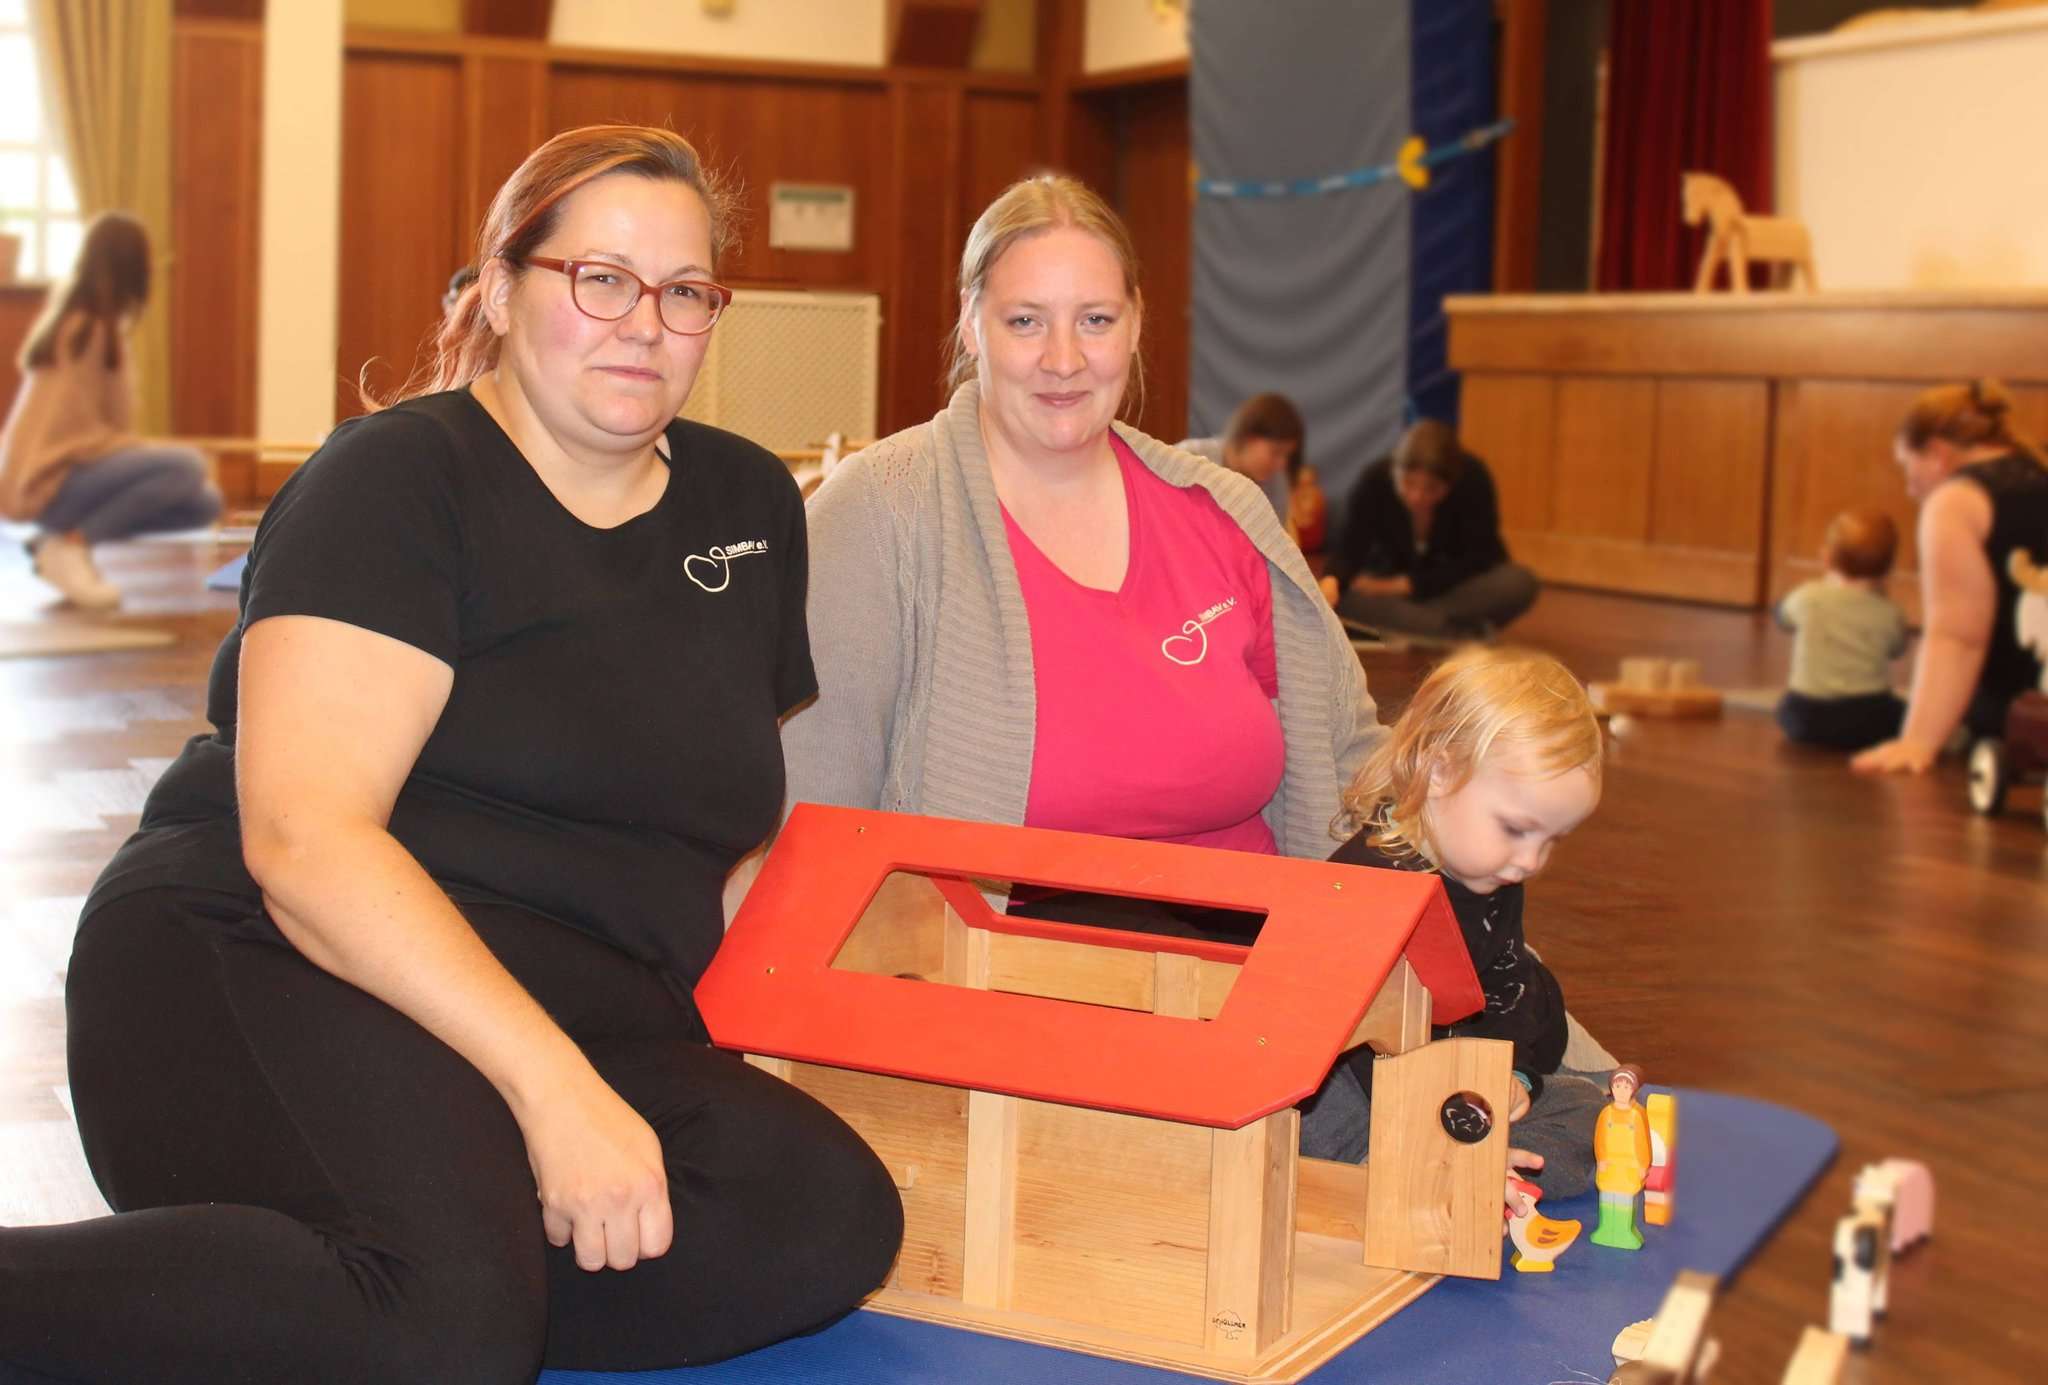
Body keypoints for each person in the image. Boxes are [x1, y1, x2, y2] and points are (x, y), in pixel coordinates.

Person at [0, 126, 900, 1385]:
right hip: (272, 951)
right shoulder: (397, 480)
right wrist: (554, 1094)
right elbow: (305, 844)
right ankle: (420, 1287)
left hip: (577, 998)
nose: (644, 321)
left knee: (819, 1214)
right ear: (499, 286)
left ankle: (391, 1273)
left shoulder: (747, 505)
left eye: (685, 291)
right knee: (449, 1326)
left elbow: (723, 827)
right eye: (600, 277)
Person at [784, 176, 1379, 929]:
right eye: (1026, 321)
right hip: (1006, 980)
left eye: (1095, 319)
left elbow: (1354, 753)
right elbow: (812, 812)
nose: (1063, 359)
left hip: (1261, 966)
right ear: (972, 325)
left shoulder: (1226, 510)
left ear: (1136, 325)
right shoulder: (879, 513)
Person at [1299, 646, 1606, 1197]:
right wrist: (1433, 1129)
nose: (1531, 861)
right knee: (1317, 1102)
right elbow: (1348, 1044)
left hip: (1450, 1091)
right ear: (1439, 772)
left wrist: (1511, 1077)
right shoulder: (1369, 882)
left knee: (1589, 1109)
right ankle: (1410, 1178)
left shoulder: (1494, 874)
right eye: (1516, 829)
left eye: (1551, 840)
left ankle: (1477, 1178)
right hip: (1365, 1097)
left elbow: (1508, 989)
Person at [0, 211, 222, 609]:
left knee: (202, 502)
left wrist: (137, 450)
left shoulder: (75, 321)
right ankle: (69, 545)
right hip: (47, 482)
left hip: (48, 477)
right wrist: (144, 451)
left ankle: (67, 543)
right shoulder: (90, 331)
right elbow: (78, 435)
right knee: (186, 467)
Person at [1853, 379, 2048, 774]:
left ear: (1938, 454)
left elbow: (1958, 637)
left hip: (2022, 715)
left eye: (1908, 467)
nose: (1910, 489)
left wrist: (1918, 741)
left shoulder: (1956, 502)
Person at [1320, 418, 1537, 641]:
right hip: (1386, 585)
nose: (1417, 497)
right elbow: (1350, 549)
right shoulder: (1375, 480)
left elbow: (1479, 557)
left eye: (1431, 489)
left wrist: (1404, 586)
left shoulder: (1474, 478)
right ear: (1395, 472)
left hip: (1447, 587)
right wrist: (1331, 582)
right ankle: (1460, 633)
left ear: (1450, 484)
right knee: (1348, 599)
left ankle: (1427, 628)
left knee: (1518, 583)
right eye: (1408, 483)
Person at [1775, 508, 1909, 750]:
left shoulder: (1807, 597)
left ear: (1826, 557)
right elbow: (1897, 649)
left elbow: (1782, 618)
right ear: (1889, 568)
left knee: (1785, 707)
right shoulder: (1889, 613)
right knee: (1902, 711)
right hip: (1866, 717)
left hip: (1806, 717)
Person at [1178, 390, 1307, 529]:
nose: (1282, 464)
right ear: (1248, 437)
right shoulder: (1190, 456)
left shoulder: (1276, 483)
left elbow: (1273, 547)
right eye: (1276, 452)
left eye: (1287, 456)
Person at [1591, 1065, 1653, 1250]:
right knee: (1608, 1198)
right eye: (1618, 1086)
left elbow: (1644, 1142)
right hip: (1610, 1165)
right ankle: (1605, 1229)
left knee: (1625, 1200)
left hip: (1629, 1166)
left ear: (1634, 1090)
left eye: (1626, 1087)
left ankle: (1625, 1231)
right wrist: (1601, 1159)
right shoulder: (1606, 1114)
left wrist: (1643, 1165)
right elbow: (1599, 1139)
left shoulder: (1637, 1115)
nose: (1621, 1091)